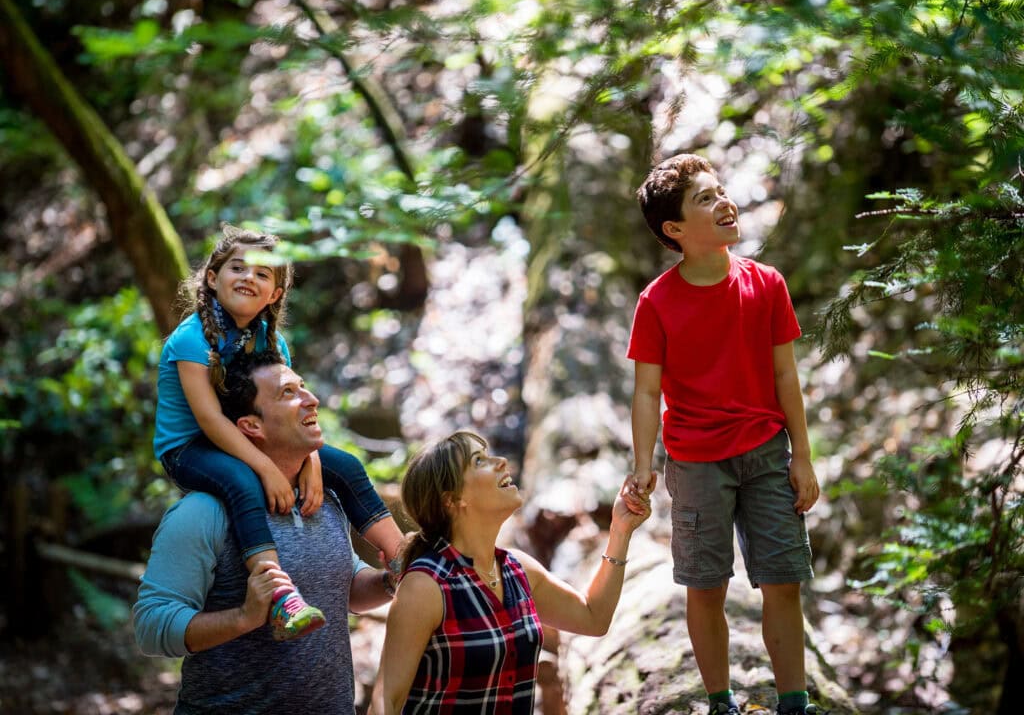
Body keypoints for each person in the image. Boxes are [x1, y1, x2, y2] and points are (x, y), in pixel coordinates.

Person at [625, 153, 823, 715]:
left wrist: (802, 456)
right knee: (705, 586)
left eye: (721, 191)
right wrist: (645, 463)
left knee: (783, 580)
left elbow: (787, 375)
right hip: (695, 463)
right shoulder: (656, 302)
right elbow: (645, 392)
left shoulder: (766, 284)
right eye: (705, 199)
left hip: (766, 454)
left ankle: (795, 702)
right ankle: (721, 703)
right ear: (676, 231)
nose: (724, 203)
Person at [153, 224, 402, 640]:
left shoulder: (271, 340)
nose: (249, 277)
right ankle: (280, 596)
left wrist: (311, 459)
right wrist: (267, 469)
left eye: (263, 273)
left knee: (347, 465)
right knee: (240, 480)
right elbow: (211, 421)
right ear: (212, 278)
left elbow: (294, 408)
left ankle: (405, 557)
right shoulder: (190, 340)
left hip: (250, 436)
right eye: (238, 267)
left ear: (275, 294)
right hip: (190, 447)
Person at [135, 350, 396, 713]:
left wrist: (388, 582)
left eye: (304, 387)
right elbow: (151, 626)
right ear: (251, 426)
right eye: (289, 393)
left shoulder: (323, 497)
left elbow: (345, 586)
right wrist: (244, 617)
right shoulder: (202, 513)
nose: (312, 399)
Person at [372, 431, 652, 714]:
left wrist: (620, 530)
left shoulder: (518, 570)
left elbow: (593, 617)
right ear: (453, 500)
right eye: (479, 461)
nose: (502, 461)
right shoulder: (426, 585)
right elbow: (386, 702)